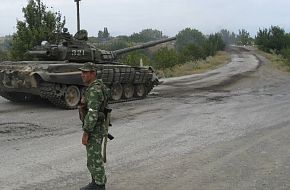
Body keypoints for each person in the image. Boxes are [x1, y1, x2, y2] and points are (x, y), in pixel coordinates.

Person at [78, 62, 107, 190]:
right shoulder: (95, 86)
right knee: (92, 158)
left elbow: (92, 113)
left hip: (94, 129)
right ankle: (95, 183)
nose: (82, 74)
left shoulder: (95, 89)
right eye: (82, 72)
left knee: (95, 159)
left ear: (93, 73)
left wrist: (86, 133)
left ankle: (100, 186)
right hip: (95, 128)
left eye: (85, 72)